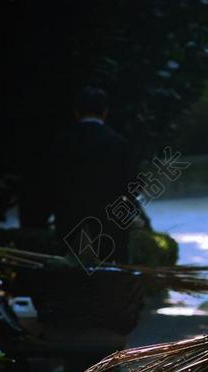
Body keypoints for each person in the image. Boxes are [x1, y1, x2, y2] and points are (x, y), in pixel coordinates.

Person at [49, 86, 138, 265]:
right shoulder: (119, 144)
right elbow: (132, 186)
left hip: (69, 224)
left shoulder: (62, 143)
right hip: (109, 227)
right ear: (105, 112)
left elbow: (52, 184)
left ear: (76, 112)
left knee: (72, 275)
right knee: (110, 274)